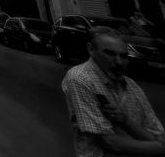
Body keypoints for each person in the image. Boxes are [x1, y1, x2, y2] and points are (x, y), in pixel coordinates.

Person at [62, 26, 165, 156]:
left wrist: (126, 121)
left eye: (123, 56)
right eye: (109, 53)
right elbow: (108, 142)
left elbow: (157, 135)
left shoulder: (132, 86)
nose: (119, 62)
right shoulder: (80, 78)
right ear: (91, 49)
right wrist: (158, 148)